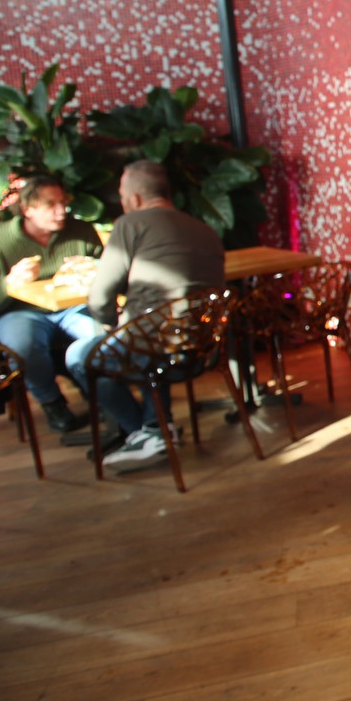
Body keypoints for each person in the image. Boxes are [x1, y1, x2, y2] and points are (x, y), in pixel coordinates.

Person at [65, 160, 225, 471]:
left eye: (122, 196)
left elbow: (100, 297)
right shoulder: (205, 229)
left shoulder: (130, 225)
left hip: (153, 346)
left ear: (135, 198)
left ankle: (148, 432)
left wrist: (109, 322)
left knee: (79, 356)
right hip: (202, 345)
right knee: (145, 334)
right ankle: (156, 428)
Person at [0, 175, 103, 433]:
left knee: (99, 337)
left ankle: (103, 398)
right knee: (23, 346)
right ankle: (53, 404)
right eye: (51, 204)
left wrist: (91, 270)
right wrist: (8, 284)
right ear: (28, 209)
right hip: (21, 311)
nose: (61, 211)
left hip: (74, 307)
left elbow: (107, 272)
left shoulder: (81, 231)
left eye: (63, 202)